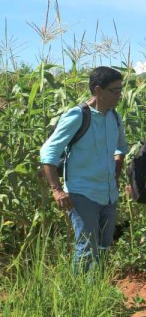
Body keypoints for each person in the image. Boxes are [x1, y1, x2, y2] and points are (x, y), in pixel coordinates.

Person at [39, 66, 127, 270]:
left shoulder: (114, 117)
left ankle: (98, 295)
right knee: (87, 250)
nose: (119, 96)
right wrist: (57, 190)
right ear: (98, 91)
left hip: (109, 195)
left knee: (104, 249)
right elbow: (48, 152)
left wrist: (115, 173)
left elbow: (121, 148)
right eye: (114, 91)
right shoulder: (78, 116)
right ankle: (78, 298)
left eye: (120, 91)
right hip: (82, 194)